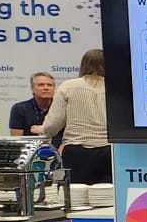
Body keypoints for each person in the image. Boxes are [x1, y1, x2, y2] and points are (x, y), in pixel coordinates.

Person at [41, 49, 110, 185]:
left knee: (75, 194)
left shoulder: (68, 87)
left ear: (84, 64)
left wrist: (44, 131)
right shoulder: (116, 88)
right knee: (108, 194)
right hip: (109, 151)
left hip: (76, 152)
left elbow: (52, 125)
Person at [9, 71, 56, 141]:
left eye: (49, 85)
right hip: (28, 147)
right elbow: (16, 140)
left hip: (57, 147)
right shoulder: (19, 108)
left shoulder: (62, 108)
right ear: (33, 89)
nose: (46, 88)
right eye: (41, 85)